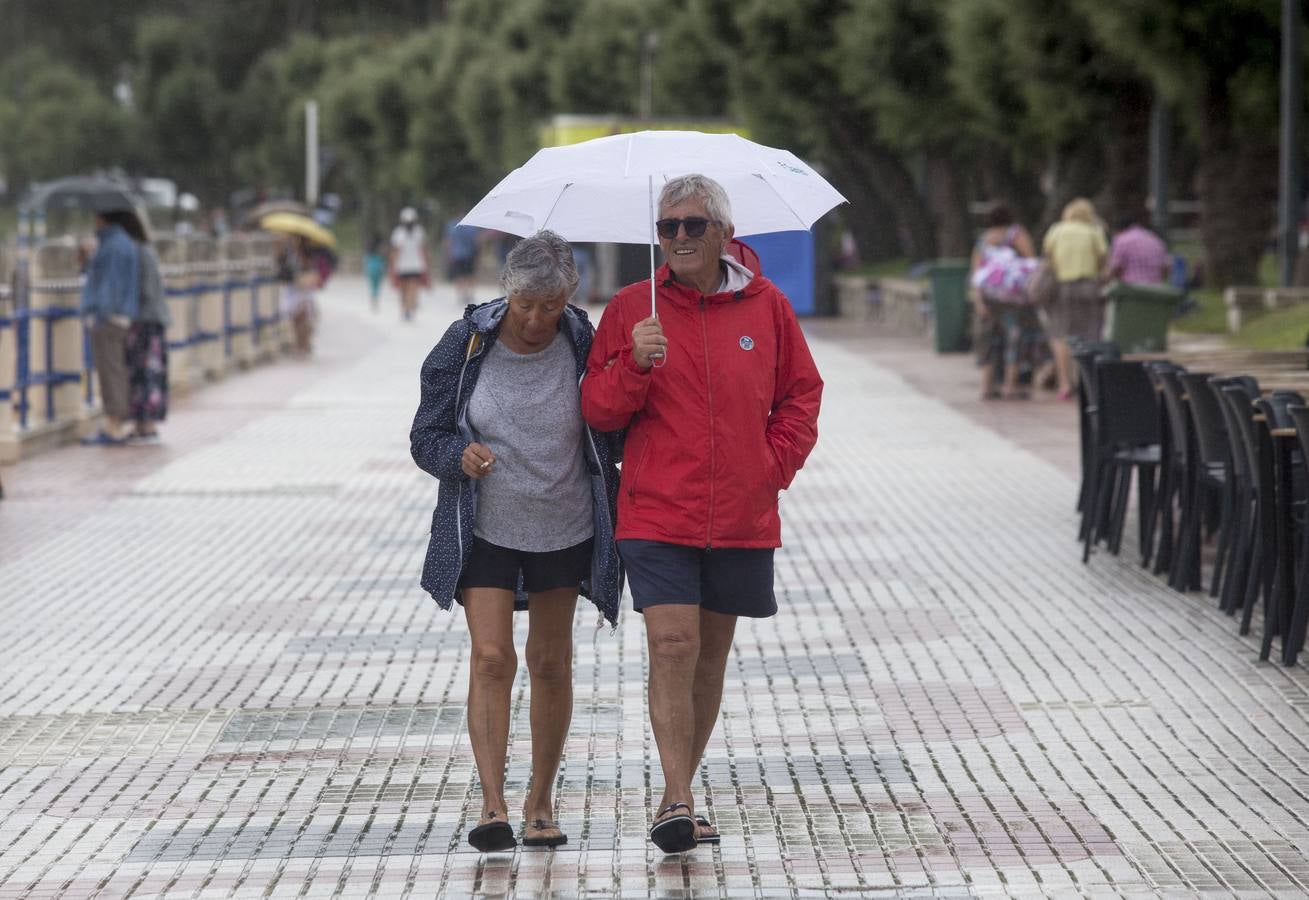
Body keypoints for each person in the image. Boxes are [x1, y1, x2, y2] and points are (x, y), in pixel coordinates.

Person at [581, 174, 823, 854]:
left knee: (710, 657)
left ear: (721, 230)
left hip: (742, 514)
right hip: (657, 510)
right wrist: (634, 363)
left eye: (692, 225)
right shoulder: (633, 308)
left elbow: (801, 395)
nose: (679, 238)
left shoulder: (766, 305)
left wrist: (770, 467)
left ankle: (676, 788)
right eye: (668, 227)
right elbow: (596, 410)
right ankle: (679, 797)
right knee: (673, 644)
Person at [409, 230, 622, 853]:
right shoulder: (467, 341)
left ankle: (540, 801)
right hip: (485, 524)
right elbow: (426, 435)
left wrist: (637, 365)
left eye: (550, 306)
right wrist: (458, 454)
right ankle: (492, 803)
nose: (536, 319)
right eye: (527, 304)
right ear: (508, 294)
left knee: (551, 663)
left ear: (569, 299)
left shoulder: (585, 340)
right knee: (492, 658)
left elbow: (615, 418)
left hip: (565, 523)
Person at [79, 205, 141, 445]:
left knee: (110, 370)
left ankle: (114, 424)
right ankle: (115, 421)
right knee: (115, 369)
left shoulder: (113, 245)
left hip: (110, 317)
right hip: (121, 316)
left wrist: (100, 314)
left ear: (103, 218)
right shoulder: (122, 243)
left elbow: (110, 285)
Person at [969, 203, 1042, 400]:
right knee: (1015, 338)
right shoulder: (1016, 234)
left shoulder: (983, 240)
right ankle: (1011, 385)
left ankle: (987, 385)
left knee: (989, 339)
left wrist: (978, 301)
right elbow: (1031, 262)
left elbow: (976, 273)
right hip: (1013, 298)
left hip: (988, 296)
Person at [1042, 198, 1108, 400]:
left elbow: (1048, 256)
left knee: (1061, 335)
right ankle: (1087, 382)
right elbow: (1104, 258)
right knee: (1091, 334)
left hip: (1061, 287)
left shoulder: (1056, 230)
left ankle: (1064, 383)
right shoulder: (1094, 231)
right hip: (1089, 287)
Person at [118, 213, 171, 443]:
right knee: (141, 373)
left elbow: (145, 290)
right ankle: (142, 425)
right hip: (149, 320)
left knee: (145, 373)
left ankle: (147, 426)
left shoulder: (139, 252)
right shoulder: (144, 250)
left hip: (145, 321)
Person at [275, 235, 319, 356]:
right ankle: (300, 343)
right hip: (291, 289)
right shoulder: (286, 253)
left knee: (303, 317)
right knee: (294, 319)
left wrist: (304, 263)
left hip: (304, 289)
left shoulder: (307, 252)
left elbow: (312, 269)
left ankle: (303, 344)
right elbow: (280, 268)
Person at [1107, 212, 1169, 285]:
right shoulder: (1155, 239)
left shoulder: (1121, 239)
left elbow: (1115, 268)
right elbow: (1166, 267)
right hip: (1155, 289)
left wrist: (1104, 281)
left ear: (1119, 229)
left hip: (1132, 289)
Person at [390, 207, 429, 321]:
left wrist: (393, 266)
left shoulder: (398, 233)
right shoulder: (419, 232)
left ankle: (406, 309)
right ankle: (409, 309)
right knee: (411, 289)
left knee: (405, 290)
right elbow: (423, 250)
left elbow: (396, 251)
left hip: (403, 266)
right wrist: (426, 265)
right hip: (415, 266)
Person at [443, 216, 480, 306]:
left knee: (459, 276)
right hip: (469, 254)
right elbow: (477, 241)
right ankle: (469, 294)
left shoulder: (453, 225)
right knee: (469, 275)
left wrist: (449, 254)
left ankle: (461, 295)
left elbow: (449, 240)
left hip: (457, 254)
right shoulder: (472, 226)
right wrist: (478, 255)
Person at [364, 233, 387, 312]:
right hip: (378, 268)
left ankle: (373, 300)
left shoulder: (369, 248)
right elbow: (383, 260)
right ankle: (376, 300)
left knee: (372, 286)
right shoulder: (380, 249)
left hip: (370, 268)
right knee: (377, 286)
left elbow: (366, 260)